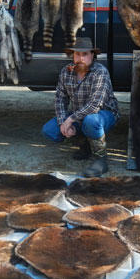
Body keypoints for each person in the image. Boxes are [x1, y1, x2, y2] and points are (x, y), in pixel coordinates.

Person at [41, 37, 119, 177]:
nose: (80, 58)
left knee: (91, 121)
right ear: (73, 55)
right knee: (50, 130)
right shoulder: (66, 71)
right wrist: (63, 122)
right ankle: (85, 145)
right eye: (77, 54)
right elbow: (60, 99)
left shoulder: (100, 72)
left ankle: (101, 159)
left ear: (92, 55)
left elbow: (95, 105)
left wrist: (70, 119)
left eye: (85, 54)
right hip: (78, 115)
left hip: (104, 114)